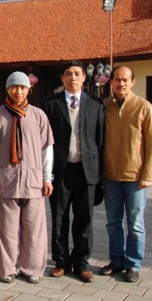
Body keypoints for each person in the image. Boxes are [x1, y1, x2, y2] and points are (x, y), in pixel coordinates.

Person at [0, 71, 54, 284]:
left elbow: (47, 149)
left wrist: (47, 177)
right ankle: (8, 269)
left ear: (28, 90)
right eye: (14, 87)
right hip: (7, 179)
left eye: (23, 87)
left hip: (33, 180)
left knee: (34, 228)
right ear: (8, 89)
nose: (18, 91)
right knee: (7, 229)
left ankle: (31, 268)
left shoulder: (38, 115)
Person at [42, 61, 104, 283]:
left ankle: (81, 263)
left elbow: (101, 139)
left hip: (87, 170)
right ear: (62, 78)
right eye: (68, 74)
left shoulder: (96, 104)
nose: (73, 78)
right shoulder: (50, 104)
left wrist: (100, 172)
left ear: (84, 77)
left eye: (77, 74)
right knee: (59, 218)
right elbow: (44, 141)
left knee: (84, 218)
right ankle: (61, 262)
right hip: (60, 170)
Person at [100, 65, 152, 283]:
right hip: (110, 176)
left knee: (135, 224)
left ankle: (133, 264)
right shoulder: (105, 106)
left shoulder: (143, 107)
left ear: (133, 81)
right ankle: (116, 260)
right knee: (113, 222)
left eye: (125, 79)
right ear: (111, 82)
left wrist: (148, 174)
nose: (121, 83)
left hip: (135, 177)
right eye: (117, 79)